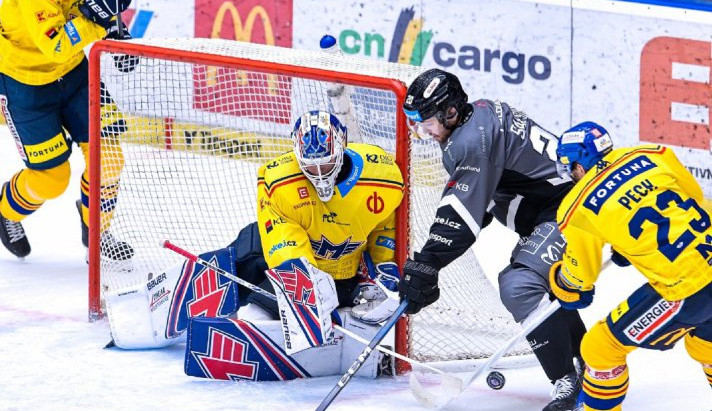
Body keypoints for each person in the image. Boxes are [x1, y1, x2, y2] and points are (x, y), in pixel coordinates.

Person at [105, 110, 406, 381]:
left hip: (342, 272)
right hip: (284, 259)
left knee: (258, 317)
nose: (318, 174)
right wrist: (305, 282)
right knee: (244, 255)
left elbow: (384, 224)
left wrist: (385, 265)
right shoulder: (277, 180)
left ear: (341, 149)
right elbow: (283, 243)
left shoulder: (384, 178)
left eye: (325, 163)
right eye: (309, 167)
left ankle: (274, 320)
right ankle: (156, 307)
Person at [398, 68, 587, 411]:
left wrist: (428, 261)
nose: (420, 131)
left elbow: (460, 216)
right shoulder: (479, 116)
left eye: (425, 121)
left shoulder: (471, 142)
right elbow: (485, 196)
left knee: (519, 286)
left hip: (570, 210)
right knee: (537, 286)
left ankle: (567, 380)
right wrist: (436, 255)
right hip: (555, 208)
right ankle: (589, 362)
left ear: (451, 112)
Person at [549, 121, 712, 410]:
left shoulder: (576, 206)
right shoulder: (652, 152)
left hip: (690, 287)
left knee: (599, 348)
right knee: (704, 344)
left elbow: (580, 280)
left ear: (578, 165)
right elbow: (695, 199)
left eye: (569, 168)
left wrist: (561, 281)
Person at [0, 0, 134, 260]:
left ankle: (97, 231)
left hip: (74, 73)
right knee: (51, 180)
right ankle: (5, 209)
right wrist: (98, 21)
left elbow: (93, 8)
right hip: (26, 85)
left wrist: (114, 28)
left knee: (110, 160)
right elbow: (58, 45)